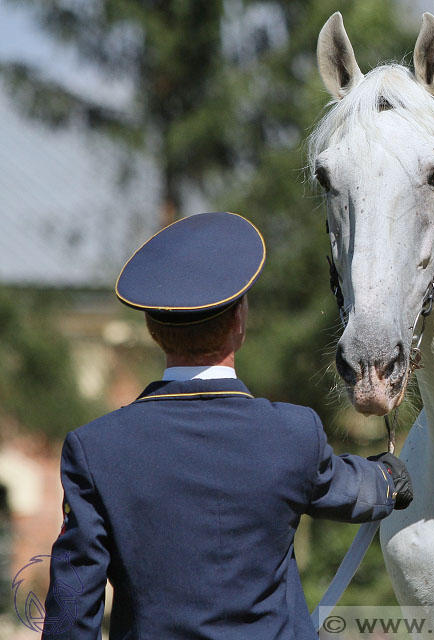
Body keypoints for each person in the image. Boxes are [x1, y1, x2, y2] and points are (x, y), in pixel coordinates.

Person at [41, 211, 412, 639]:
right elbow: (347, 489)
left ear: (152, 328)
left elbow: (71, 612)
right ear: (239, 322)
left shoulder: (96, 450)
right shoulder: (291, 435)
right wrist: (388, 478)